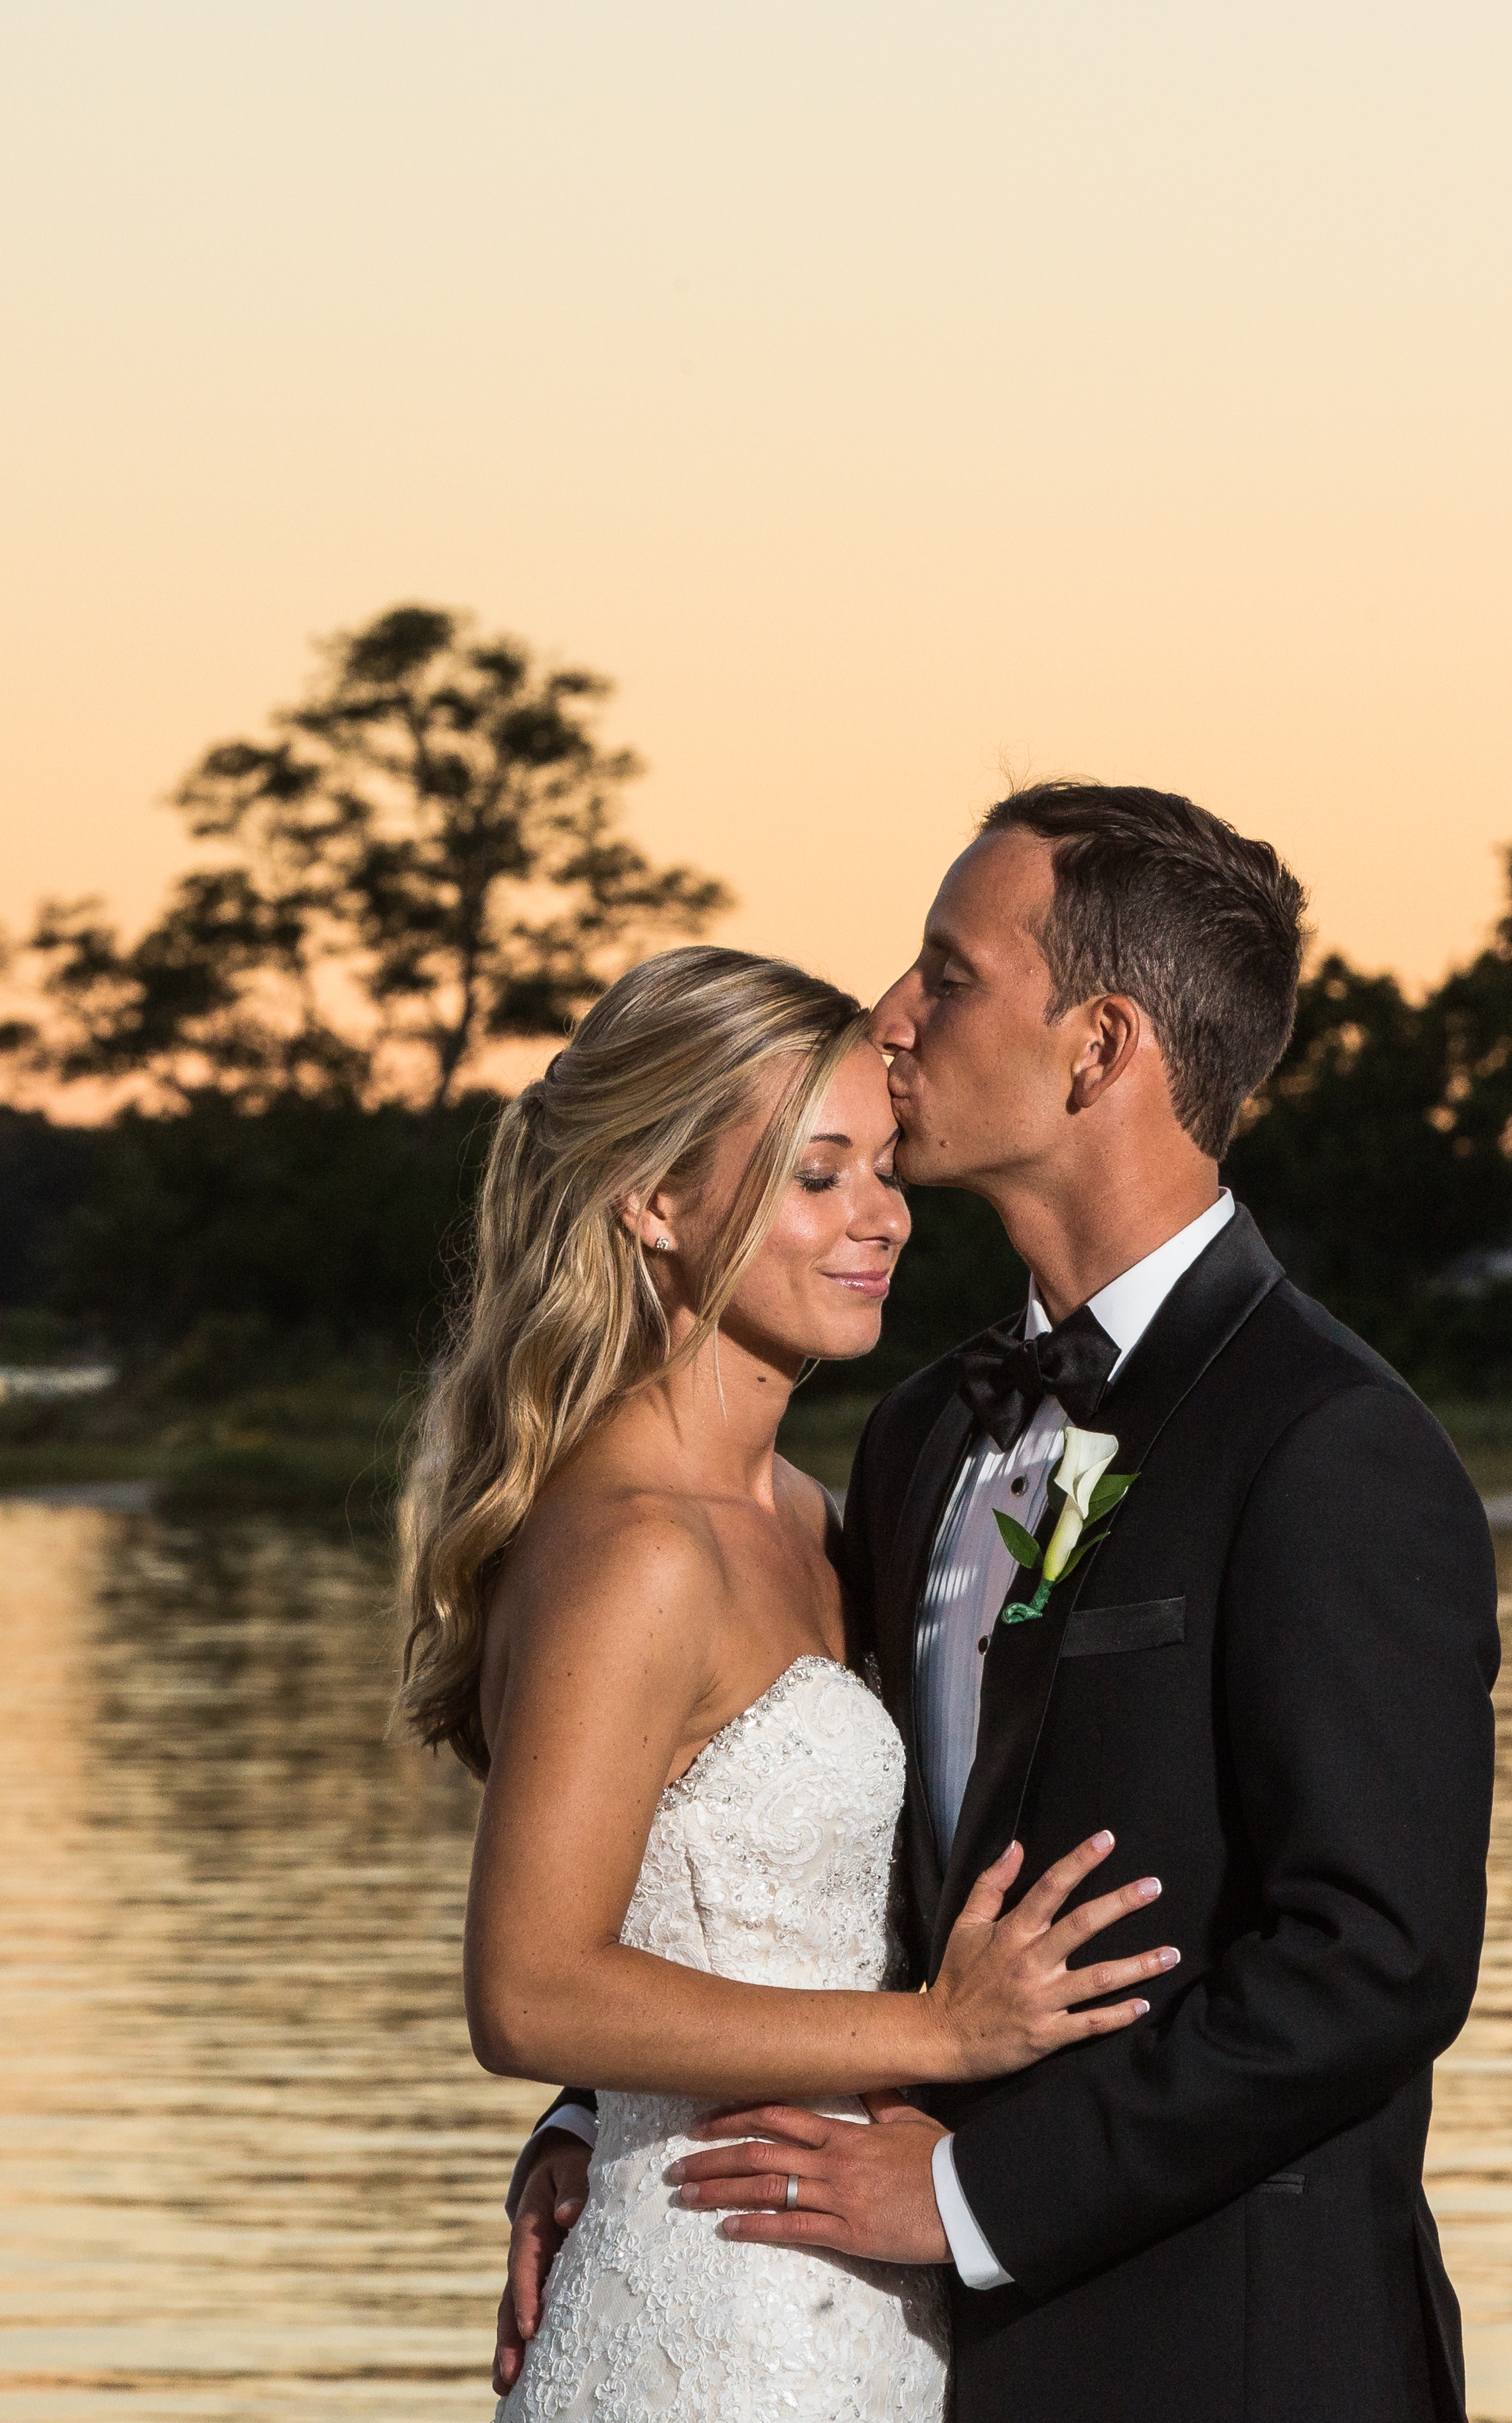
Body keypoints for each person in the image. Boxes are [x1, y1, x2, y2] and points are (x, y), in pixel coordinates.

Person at [485, 785, 1501, 2422]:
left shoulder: (1330, 1445)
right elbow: (805, 1842)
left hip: (1228, 2363)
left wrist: (969, 2200)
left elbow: (1373, 1963)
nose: (892, 1014)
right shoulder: (918, 1435)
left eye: (945, 973)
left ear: (1095, 1047)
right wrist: (600, 2116)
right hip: (885, 2346)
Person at [402, 943, 1176, 2421]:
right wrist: (935, 2035)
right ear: (654, 1200)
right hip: (712, 2313)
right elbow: (527, 1985)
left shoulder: (825, 1512)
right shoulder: (634, 1548)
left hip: (868, 2301)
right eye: (816, 1176)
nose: (881, 1217)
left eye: (882, 1166)